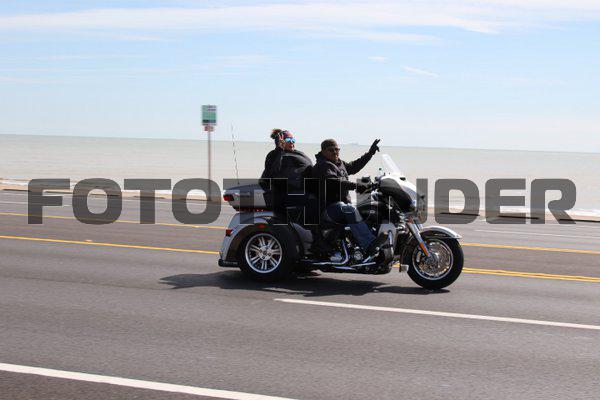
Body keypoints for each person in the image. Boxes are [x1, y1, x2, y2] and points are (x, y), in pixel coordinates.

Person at [312, 138, 386, 256]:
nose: (335, 152)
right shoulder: (322, 166)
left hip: (341, 207)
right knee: (349, 209)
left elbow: (354, 166)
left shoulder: (338, 163)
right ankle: (369, 244)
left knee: (368, 208)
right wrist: (356, 186)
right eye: (331, 150)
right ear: (323, 151)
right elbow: (334, 182)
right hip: (328, 209)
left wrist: (370, 153)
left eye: (337, 149)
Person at [260, 129, 313, 215]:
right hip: (284, 194)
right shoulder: (275, 154)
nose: (292, 142)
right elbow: (272, 171)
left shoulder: (298, 153)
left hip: (302, 189)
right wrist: (279, 149)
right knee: (313, 199)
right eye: (288, 139)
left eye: (293, 140)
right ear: (281, 142)